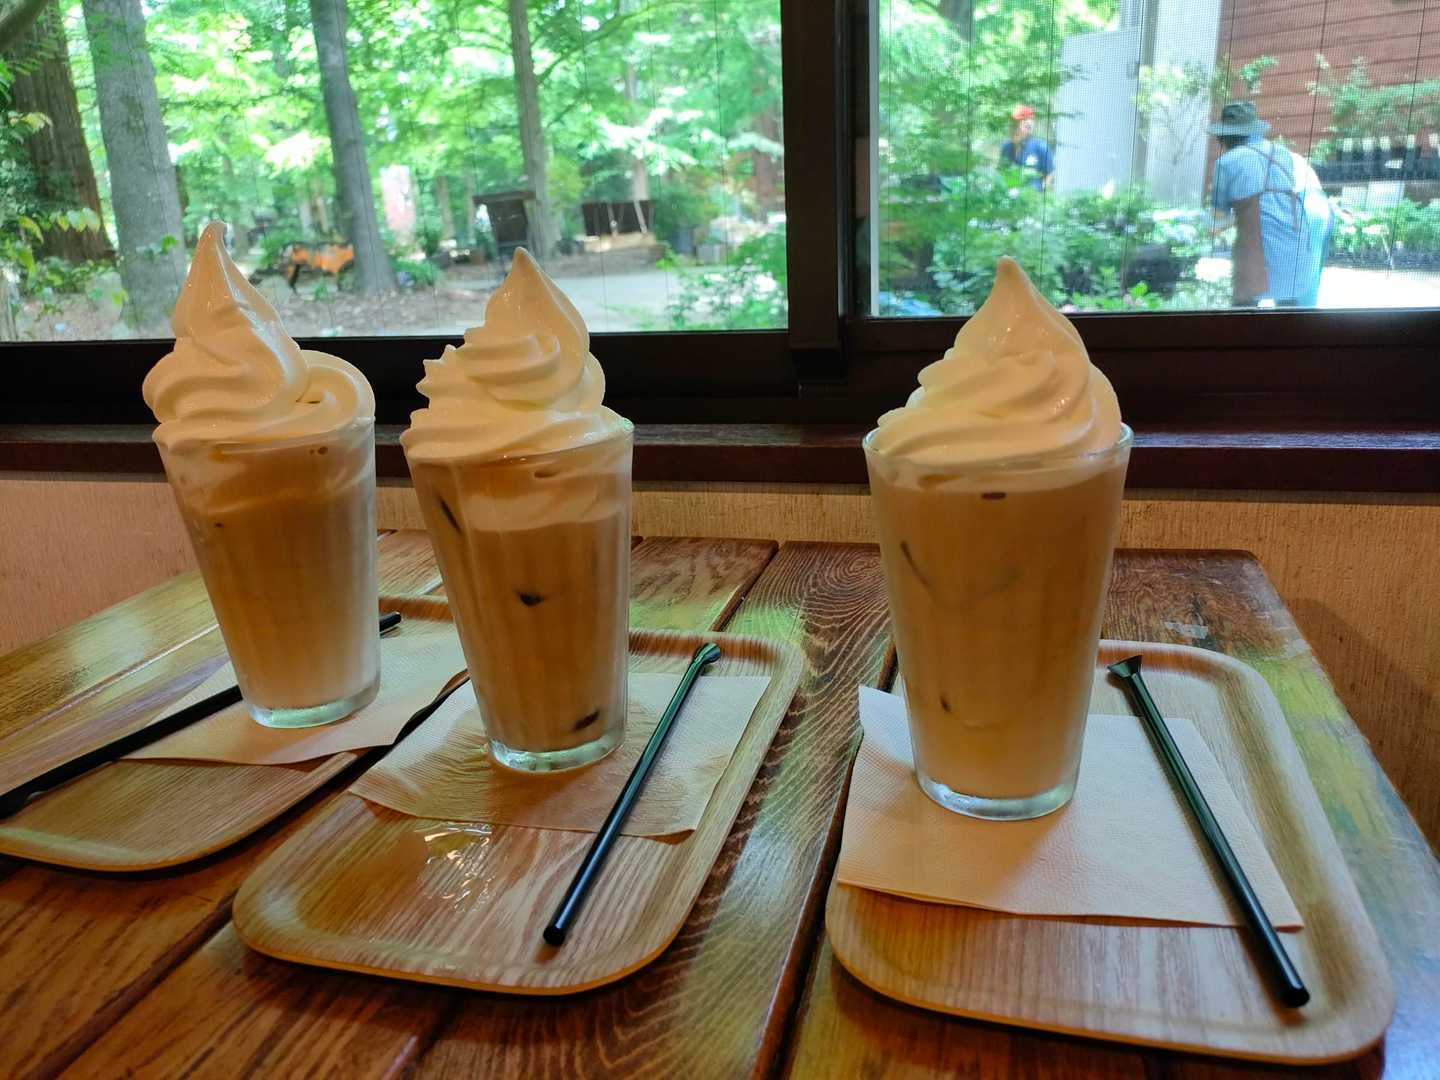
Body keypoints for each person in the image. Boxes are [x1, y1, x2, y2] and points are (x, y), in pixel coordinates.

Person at [1208, 101, 1333, 307]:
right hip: (1295, 254)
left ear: (1224, 136)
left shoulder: (1226, 163)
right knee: (1288, 314)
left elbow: (1216, 222)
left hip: (1256, 263)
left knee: (1242, 313)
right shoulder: (1282, 154)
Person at [1000, 105, 1054, 190]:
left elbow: (1049, 174)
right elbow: (1001, 172)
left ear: (1028, 128)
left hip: (1030, 196)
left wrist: (1038, 190)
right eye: (1012, 125)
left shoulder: (1041, 147)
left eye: (1017, 125)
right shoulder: (1006, 147)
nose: (1013, 129)